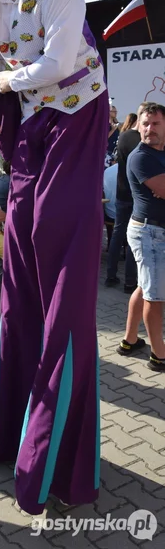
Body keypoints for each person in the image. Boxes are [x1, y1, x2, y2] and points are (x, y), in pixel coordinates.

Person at [0, 0, 108, 513]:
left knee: (58, 230)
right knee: (22, 248)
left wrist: (6, 81)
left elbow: (54, 66)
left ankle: (61, 447)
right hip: (28, 125)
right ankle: (14, 430)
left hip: (78, 116)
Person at [117, 103, 165, 372]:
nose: (150, 129)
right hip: (149, 232)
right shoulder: (141, 156)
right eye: (145, 124)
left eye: (156, 124)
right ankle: (159, 355)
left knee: (145, 287)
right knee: (155, 296)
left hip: (153, 230)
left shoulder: (160, 153)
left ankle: (129, 340)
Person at [105, 106, 143, 291]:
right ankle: (130, 282)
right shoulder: (141, 140)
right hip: (137, 196)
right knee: (133, 239)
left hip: (122, 194)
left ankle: (111, 276)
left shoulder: (124, 136)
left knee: (119, 235)